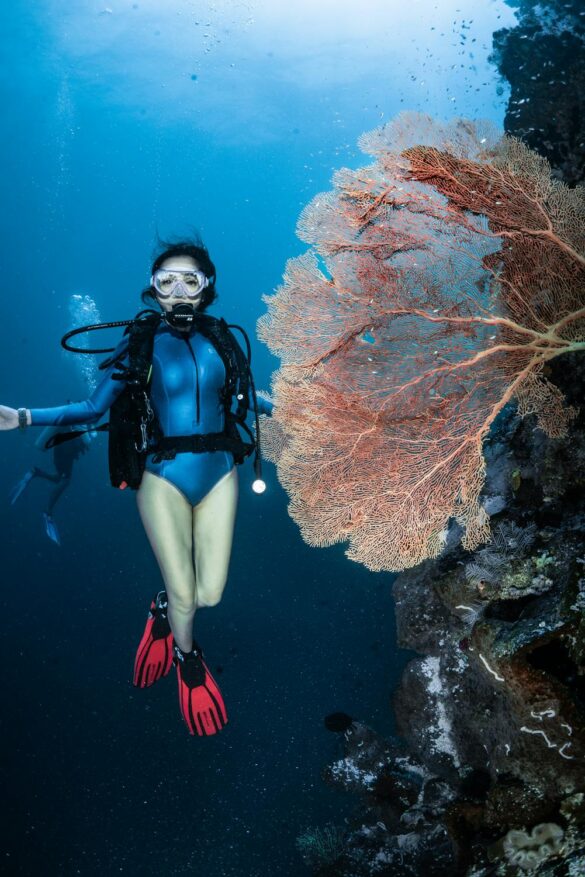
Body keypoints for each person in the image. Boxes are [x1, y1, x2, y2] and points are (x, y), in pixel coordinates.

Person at [0, 238, 273, 737]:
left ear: (207, 286)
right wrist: (20, 416)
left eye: (190, 280)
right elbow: (89, 409)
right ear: (153, 288)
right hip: (162, 477)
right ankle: (188, 662)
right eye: (165, 280)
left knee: (209, 594)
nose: (177, 290)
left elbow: (248, 397)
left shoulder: (223, 338)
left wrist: (301, 411)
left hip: (221, 474)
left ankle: (163, 609)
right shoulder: (140, 341)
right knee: (189, 595)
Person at [9, 423, 92, 545]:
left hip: (60, 452)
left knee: (58, 478)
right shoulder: (80, 423)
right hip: (65, 453)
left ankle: (35, 472)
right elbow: (83, 440)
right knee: (65, 480)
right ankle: (47, 511)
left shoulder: (74, 422)